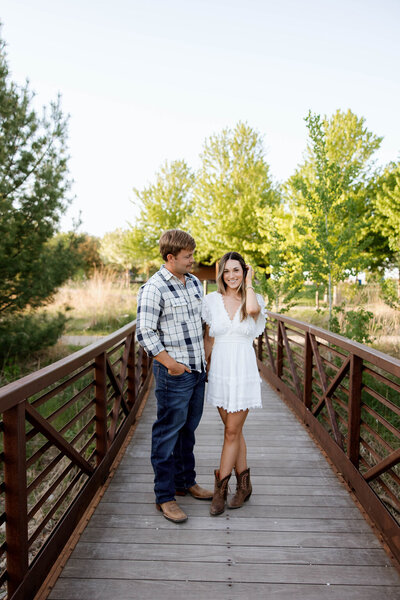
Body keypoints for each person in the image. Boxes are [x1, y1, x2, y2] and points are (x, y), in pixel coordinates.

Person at [136, 229, 213, 524]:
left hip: (196, 372)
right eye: (188, 256)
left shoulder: (194, 282)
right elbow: (145, 332)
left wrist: (206, 354)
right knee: (167, 433)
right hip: (174, 374)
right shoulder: (153, 288)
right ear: (171, 258)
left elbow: (203, 321)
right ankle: (164, 496)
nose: (193, 260)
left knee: (187, 431)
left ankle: (185, 482)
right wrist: (172, 365)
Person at [203, 251, 266, 516]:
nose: (231, 276)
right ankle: (245, 485)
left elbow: (251, 311)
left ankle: (220, 490)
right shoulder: (211, 301)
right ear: (221, 274)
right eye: (227, 271)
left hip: (243, 371)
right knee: (234, 431)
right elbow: (208, 338)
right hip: (220, 372)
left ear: (244, 272)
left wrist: (249, 282)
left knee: (231, 432)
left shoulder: (254, 300)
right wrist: (205, 367)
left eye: (237, 271)